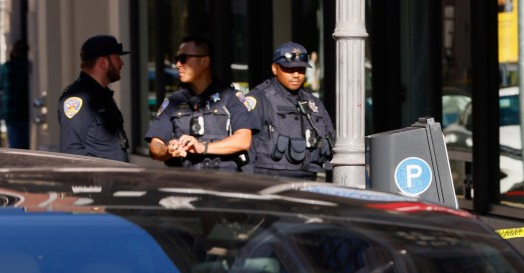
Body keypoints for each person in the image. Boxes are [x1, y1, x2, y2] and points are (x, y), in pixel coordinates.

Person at [145, 35, 259, 171]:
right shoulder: (173, 101)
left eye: (183, 59)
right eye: (177, 59)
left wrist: (202, 147)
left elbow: (243, 141)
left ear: (204, 61)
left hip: (224, 182)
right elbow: (154, 146)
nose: (178, 64)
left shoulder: (231, 97)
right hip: (186, 184)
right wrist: (168, 150)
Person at [248, 42, 335, 180]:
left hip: (309, 181)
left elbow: (331, 142)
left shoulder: (314, 102)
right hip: (270, 181)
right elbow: (246, 148)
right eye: (289, 69)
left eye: (301, 69)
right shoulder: (259, 99)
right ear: (275, 68)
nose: (296, 75)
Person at [58, 35, 129, 161]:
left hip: (117, 179)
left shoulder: (103, 96)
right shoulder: (77, 98)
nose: (121, 63)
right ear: (103, 62)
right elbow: (71, 152)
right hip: (96, 180)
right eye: (117, 58)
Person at [1, 40, 30, 149]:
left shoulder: (6, 68)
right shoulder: (27, 67)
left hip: (10, 113)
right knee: (27, 147)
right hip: (25, 112)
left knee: (15, 148)